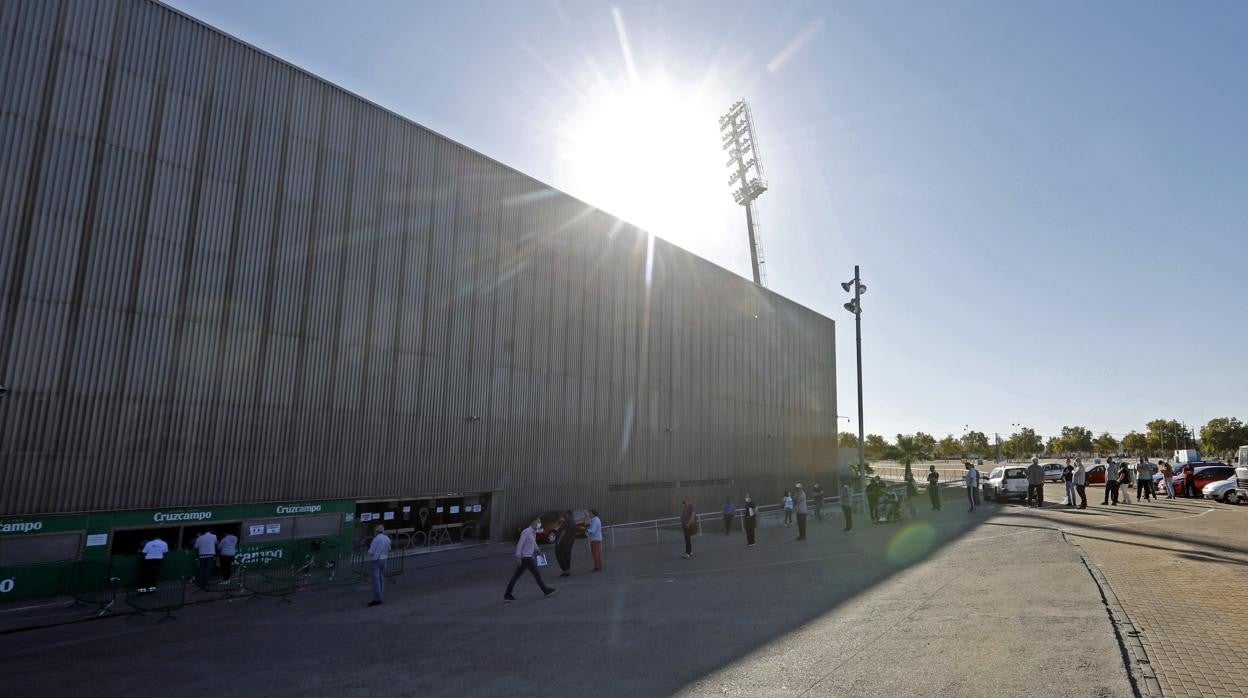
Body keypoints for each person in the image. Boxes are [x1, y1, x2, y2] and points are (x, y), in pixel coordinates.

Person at [505, 518, 556, 600]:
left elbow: (534, 543)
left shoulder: (533, 533)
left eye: (540, 522)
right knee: (536, 573)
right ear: (533, 522)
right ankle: (545, 590)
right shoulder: (526, 532)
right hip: (526, 557)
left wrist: (539, 551)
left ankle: (507, 594)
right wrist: (517, 556)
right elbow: (520, 544)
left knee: (516, 576)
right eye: (538, 522)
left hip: (527, 557)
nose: (539, 524)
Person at [366, 524, 391, 606]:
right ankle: (381, 595)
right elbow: (389, 548)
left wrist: (368, 552)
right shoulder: (387, 538)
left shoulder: (376, 539)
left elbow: (372, 551)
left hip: (376, 560)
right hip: (384, 559)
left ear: (376, 531)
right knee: (381, 578)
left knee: (375, 579)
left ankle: (378, 598)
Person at [554, 510, 576, 577]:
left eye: (564, 513)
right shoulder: (572, 520)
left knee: (559, 554)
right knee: (567, 555)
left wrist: (558, 541)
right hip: (570, 542)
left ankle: (565, 570)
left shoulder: (567, 521)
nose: (563, 515)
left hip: (563, 542)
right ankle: (567, 570)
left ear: (566, 514)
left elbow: (563, 531)